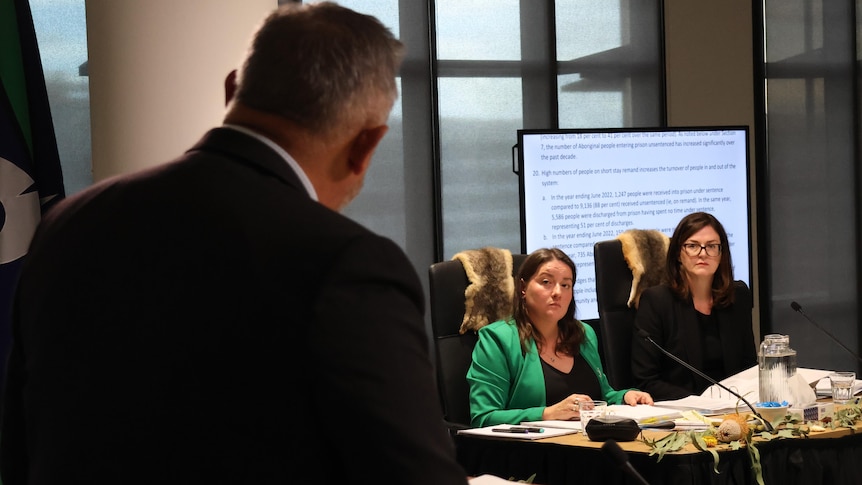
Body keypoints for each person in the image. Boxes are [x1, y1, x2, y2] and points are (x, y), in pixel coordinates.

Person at [0, 4, 468, 484]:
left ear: (231, 90)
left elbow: (19, 448)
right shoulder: (347, 263)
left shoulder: (65, 225)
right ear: (365, 145)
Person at [467, 248, 653, 427]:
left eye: (566, 285)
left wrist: (625, 397)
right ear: (523, 287)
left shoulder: (583, 333)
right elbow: (484, 417)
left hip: (587, 446)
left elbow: (602, 396)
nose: (558, 292)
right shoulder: (497, 339)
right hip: (529, 453)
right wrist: (547, 414)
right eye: (546, 282)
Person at [631, 211, 756, 401]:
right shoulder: (657, 301)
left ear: (722, 254)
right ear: (678, 254)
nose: (702, 253)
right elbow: (647, 381)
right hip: (684, 412)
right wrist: (703, 403)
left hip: (736, 409)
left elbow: (749, 367)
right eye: (692, 246)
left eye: (712, 246)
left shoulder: (737, 297)